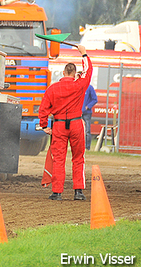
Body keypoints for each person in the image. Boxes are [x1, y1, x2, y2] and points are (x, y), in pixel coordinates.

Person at [38, 44, 92, 201]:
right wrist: (84, 53)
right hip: (76, 124)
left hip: (59, 125)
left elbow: (43, 109)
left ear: (63, 73)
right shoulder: (80, 85)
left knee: (59, 158)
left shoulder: (52, 89)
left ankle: (57, 192)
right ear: (75, 73)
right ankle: (78, 192)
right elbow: (88, 71)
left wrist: (44, 126)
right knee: (78, 158)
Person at [82, 84, 97, 150]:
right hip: (77, 112)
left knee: (87, 130)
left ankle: (87, 147)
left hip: (87, 113)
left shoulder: (89, 87)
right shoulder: (78, 86)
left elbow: (95, 99)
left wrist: (88, 106)